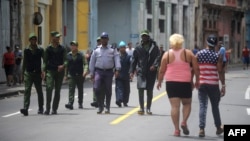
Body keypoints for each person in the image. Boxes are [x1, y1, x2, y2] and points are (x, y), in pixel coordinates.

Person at [156, 34, 199, 136]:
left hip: (171, 83)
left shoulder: (166, 54)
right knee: (187, 103)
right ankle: (184, 121)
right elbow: (196, 68)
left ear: (171, 42)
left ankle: (176, 130)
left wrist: (159, 81)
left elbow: (162, 71)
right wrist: (197, 80)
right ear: (181, 42)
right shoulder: (188, 53)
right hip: (185, 83)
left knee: (175, 107)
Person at [196, 34, 225, 137]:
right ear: (216, 44)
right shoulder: (217, 56)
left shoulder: (199, 54)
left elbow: (195, 69)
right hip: (213, 84)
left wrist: (195, 80)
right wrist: (224, 85)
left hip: (202, 83)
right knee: (215, 106)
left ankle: (201, 129)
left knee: (202, 106)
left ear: (206, 42)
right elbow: (220, 71)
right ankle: (218, 127)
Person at [89, 32, 121, 114]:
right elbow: (92, 62)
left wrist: (117, 69)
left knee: (108, 90)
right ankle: (100, 106)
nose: (103, 40)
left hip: (108, 72)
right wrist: (91, 73)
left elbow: (117, 59)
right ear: (100, 39)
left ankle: (107, 107)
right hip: (98, 71)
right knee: (96, 88)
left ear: (108, 39)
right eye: (102, 38)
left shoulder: (112, 49)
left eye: (105, 38)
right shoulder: (96, 50)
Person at [129, 30, 160, 115]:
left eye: (146, 36)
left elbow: (158, 57)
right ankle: (142, 108)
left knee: (149, 91)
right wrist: (131, 71)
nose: (144, 37)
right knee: (141, 89)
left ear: (148, 36)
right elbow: (134, 60)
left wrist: (155, 65)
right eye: (143, 36)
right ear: (141, 37)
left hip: (151, 72)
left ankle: (148, 108)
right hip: (141, 72)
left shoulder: (154, 46)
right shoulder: (138, 47)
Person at [42, 31, 67, 115]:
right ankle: (47, 109)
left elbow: (66, 60)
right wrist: (43, 71)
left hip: (60, 72)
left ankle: (54, 108)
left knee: (57, 90)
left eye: (59, 37)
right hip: (50, 71)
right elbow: (45, 61)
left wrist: (63, 66)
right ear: (52, 38)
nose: (58, 38)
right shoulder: (48, 49)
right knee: (49, 88)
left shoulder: (62, 48)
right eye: (56, 37)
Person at [20, 33, 44, 116]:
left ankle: (41, 108)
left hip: (37, 73)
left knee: (39, 91)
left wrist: (43, 70)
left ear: (36, 41)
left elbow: (44, 60)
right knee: (27, 90)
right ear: (29, 41)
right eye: (32, 39)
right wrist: (22, 73)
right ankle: (25, 108)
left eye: (34, 39)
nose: (33, 41)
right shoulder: (26, 50)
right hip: (28, 73)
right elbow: (24, 62)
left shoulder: (40, 50)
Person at [64, 41, 88, 110]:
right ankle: (70, 103)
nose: (72, 47)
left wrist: (85, 71)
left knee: (80, 89)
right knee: (71, 89)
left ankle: (80, 103)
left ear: (77, 47)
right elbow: (66, 66)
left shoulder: (81, 55)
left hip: (80, 75)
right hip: (71, 75)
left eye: (74, 45)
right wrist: (65, 75)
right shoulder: (68, 55)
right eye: (71, 45)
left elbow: (85, 63)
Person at [115, 41, 131, 107]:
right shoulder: (117, 56)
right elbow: (114, 65)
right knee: (119, 88)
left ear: (125, 48)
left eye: (123, 47)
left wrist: (131, 72)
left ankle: (125, 101)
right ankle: (119, 100)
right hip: (118, 75)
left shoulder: (128, 57)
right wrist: (114, 71)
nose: (122, 49)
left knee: (127, 89)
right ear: (119, 48)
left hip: (126, 75)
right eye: (121, 47)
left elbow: (131, 65)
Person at [90, 36, 102, 108]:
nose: (99, 42)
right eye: (98, 41)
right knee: (95, 86)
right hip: (96, 71)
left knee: (102, 87)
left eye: (100, 41)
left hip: (103, 70)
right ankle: (95, 100)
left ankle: (101, 101)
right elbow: (91, 61)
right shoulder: (94, 50)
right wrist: (91, 72)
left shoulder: (106, 50)